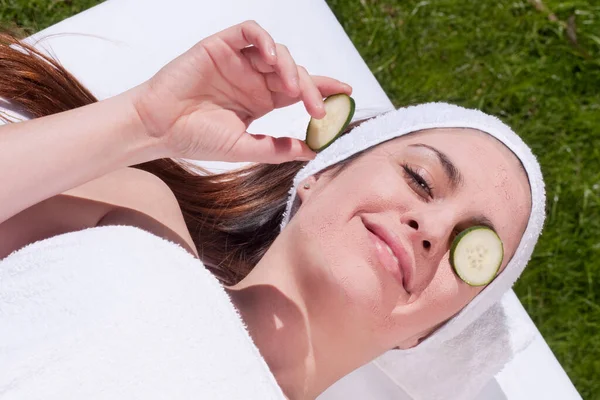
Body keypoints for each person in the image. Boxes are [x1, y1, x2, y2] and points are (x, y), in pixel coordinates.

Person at [0, 21, 542, 399]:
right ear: (322, 173)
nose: (434, 229)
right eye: (420, 178)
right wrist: (145, 123)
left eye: (469, 253)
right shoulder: (135, 218)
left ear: (427, 333)